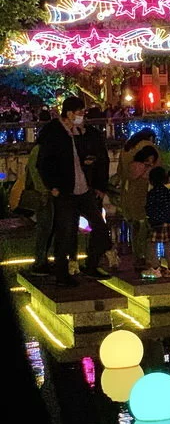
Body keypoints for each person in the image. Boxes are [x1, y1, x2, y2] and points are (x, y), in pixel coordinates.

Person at [36, 96, 112, 286]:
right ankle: (62, 274)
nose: (82, 117)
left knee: (100, 227)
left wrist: (97, 181)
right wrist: (52, 186)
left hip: (84, 188)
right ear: (69, 113)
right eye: (79, 113)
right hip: (65, 190)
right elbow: (44, 163)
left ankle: (91, 264)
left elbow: (97, 156)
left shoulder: (81, 133)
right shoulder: (55, 133)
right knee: (66, 232)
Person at [118, 128, 161, 272]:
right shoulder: (148, 146)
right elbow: (158, 170)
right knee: (145, 227)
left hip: (128, 190)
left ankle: (138, 256)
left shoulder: (127, 147)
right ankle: (148, 258)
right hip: (143, 191)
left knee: (135, 226)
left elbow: (120, 172)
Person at [21, 134, 54, 277]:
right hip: (42, 194)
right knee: (45, 227)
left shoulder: (45, 149)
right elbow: (33, 171)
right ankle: (39, 262)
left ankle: (43, 260)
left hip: (47, 193)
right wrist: (42, 190)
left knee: (48, 227)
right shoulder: (39, 150)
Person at [142, 167, 170, 279]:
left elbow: (149, 208)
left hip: (157, 223)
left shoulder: (152, 193)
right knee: (168, 244)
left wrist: (150, 219)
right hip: (169, 222)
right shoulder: (169, 192)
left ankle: (155, 268)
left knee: (151, 244)